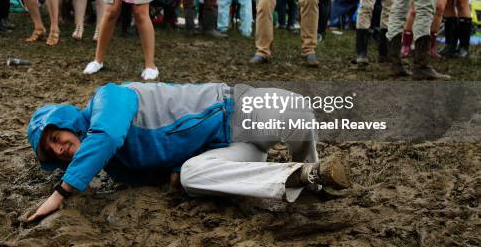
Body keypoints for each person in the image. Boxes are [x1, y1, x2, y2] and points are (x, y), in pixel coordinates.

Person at [25, 82, 351, 222]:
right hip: (234, 152)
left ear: (67, 121)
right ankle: (301, 176)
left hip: (239, 109)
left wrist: (62, 192)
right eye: (51, 153)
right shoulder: (116, 167)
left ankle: (315, 175)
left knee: (298, 110)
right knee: (191, 176)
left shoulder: (107, 97)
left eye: (55, 136)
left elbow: (107, 135)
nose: (58, 149)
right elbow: (158, 178)